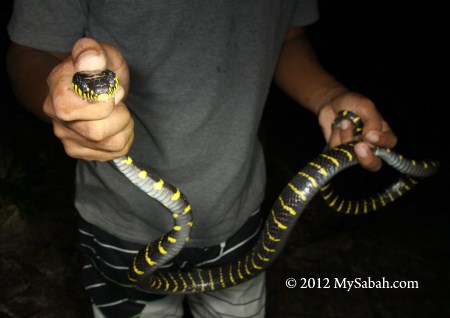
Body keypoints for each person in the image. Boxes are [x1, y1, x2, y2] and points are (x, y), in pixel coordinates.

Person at [7, 1, 397, 317]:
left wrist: (328, 96)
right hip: (120, 225)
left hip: (240, 217)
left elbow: (288, 38)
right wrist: (64, 107)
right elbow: (31, 50)